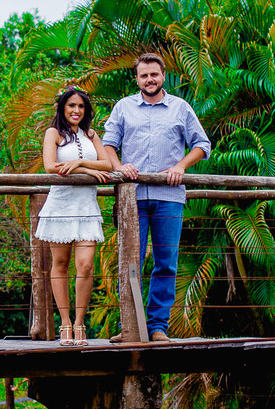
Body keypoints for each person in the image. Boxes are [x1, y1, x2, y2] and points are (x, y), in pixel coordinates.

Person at [102, 53, 211, 343]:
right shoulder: (124, 107)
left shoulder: (180, 108)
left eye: (154, 74)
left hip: (169, 196)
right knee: (129, 261)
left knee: (166, 262)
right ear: (136, 79)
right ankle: (129, 326)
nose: (149, 80)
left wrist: (180, 166)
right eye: (143, 75)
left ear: (163, 76)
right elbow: (108, 145)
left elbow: (202, 144)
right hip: (131, 198)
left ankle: (157, 326)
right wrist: (119, 167)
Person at [35, 86, 112, 346]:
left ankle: (80, 324)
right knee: (60, 265)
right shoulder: (53, 133)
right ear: (62, 108)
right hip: (61, 206)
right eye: (71, 106)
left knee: (86, 265)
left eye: (80, 106)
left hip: (87, 207)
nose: (76, 110)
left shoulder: (92, 135)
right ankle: (65, 324)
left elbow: (108, 165)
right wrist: (88, 170)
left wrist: (80, 165)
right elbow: (50, 166)